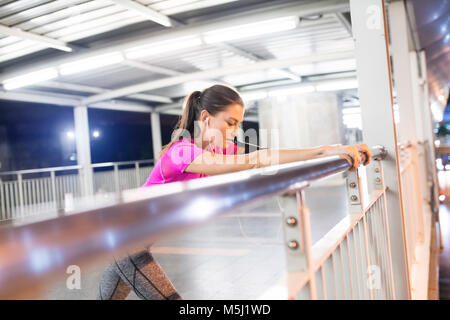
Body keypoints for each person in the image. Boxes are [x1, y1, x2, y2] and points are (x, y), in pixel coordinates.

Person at [97, 84, 372, 300]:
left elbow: (268, 154)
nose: (236, 131)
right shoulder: (182, 151)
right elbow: (255, 160)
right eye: (230, 123)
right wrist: (326, 149)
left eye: (239, 124)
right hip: (125, 239)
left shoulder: (217, 148)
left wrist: (329, 149)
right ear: (205, 117)